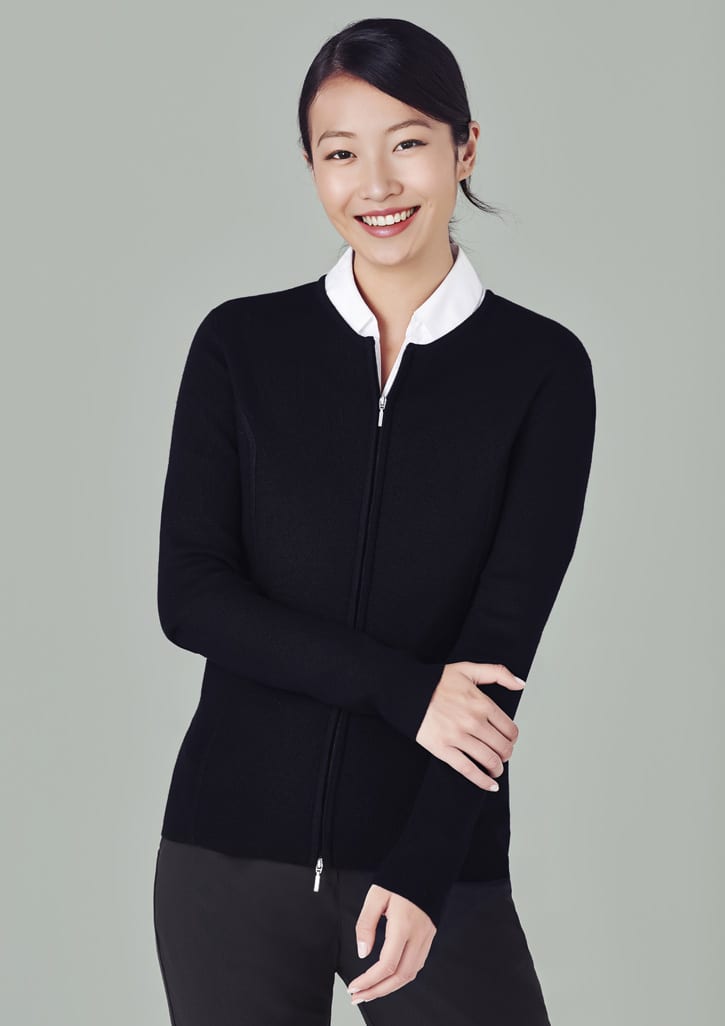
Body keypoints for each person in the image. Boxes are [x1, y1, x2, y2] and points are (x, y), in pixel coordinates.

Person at [152, 16, 596, 1026]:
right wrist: (404, 689)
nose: (377, 184)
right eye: (340, 153)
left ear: (463, 149)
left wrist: (425, 867)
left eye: (407, 143)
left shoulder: (539, 371)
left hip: (428, 861)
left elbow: (498, 652)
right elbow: (194, 597)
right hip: (224, 859)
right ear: (312, 166)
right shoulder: (240, 346)